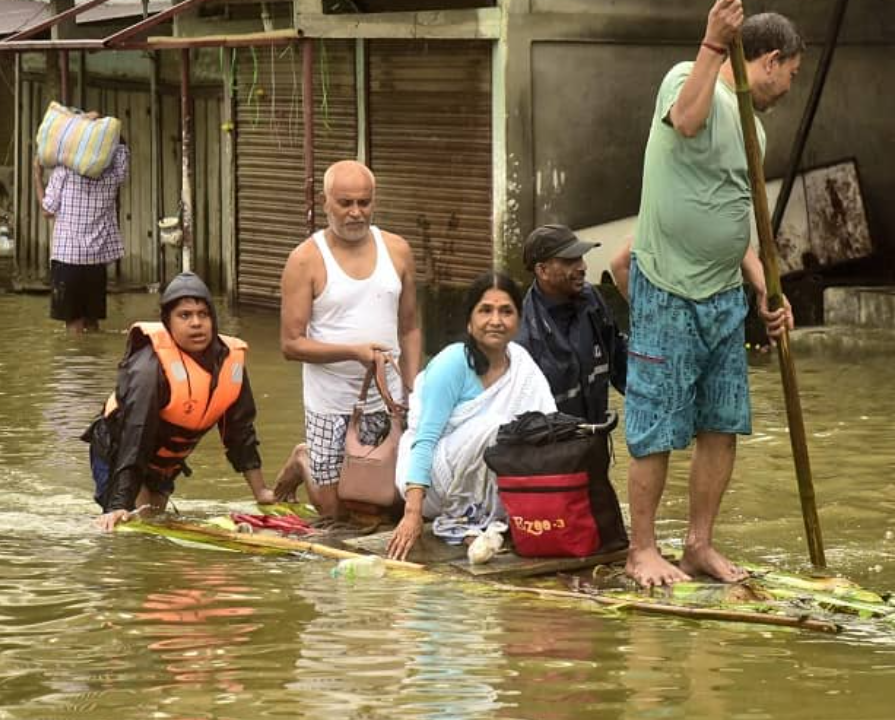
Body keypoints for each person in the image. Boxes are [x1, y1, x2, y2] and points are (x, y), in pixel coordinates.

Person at [624, 2, 800, 588]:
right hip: (668, 282)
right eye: (792, 73)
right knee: (655, 419)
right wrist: (711, 43)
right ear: (770, 61)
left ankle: (698, 544)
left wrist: (765, 288)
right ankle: (642, 550)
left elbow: (738, 220)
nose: (790, 86)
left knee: (721, 423)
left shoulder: (757, 127)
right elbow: (688, 119)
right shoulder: (688, 77)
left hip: (724, 292)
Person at [277, 160, 421, 517]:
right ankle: (304, 459)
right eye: (345, 203)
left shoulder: (398, 250)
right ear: (325, 203)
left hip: (385, 394)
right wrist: (352, 352)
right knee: (333, 513)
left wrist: (413, 385)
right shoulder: (305, 260)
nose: (356, 213)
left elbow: (411, 326)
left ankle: (318, 465)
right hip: (330, 400)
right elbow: (291, 344)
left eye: (364, 202)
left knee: (374, 504)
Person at [84, 272, 276, 531]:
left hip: (165, 462)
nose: (196, 323)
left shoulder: (230, 364)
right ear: (168, 322)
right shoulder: (149, 369)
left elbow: (241, 433)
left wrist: (261, 492)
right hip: (120, 452)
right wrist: (118, 504)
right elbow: (135, 436)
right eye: (185, 315)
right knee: (135, 526)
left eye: (203, 314)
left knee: (155, 520)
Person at [386, 272, 556, 561]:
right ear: (470, 320)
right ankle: (459, 523)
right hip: (434, 484)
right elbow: (425, 441)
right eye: (485, 310)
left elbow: (548, 428)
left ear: (518, 320)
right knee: (495, 426)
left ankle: (496, 517)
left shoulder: (522, 364)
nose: (496, 320)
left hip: (491, 483)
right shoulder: (452, 363)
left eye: (506, 311)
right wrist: (413, 514)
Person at [515, 224, 627, 424]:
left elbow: (621, 361)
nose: (583, 267)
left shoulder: (591, 300)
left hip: (594, 442)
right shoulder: (525, 337)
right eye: (570, 261)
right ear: (542, 270)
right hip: (552, 450)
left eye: (581, 258)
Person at [33, 123, 129, 334]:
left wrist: (37, 177)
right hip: (96, 261)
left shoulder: (64, 172)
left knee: (73, 326)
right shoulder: (112, 177)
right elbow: (122, 152)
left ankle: (76, 365)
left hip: (68, 260)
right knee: (93, 324)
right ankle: (93, 366)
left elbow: (48, 210)